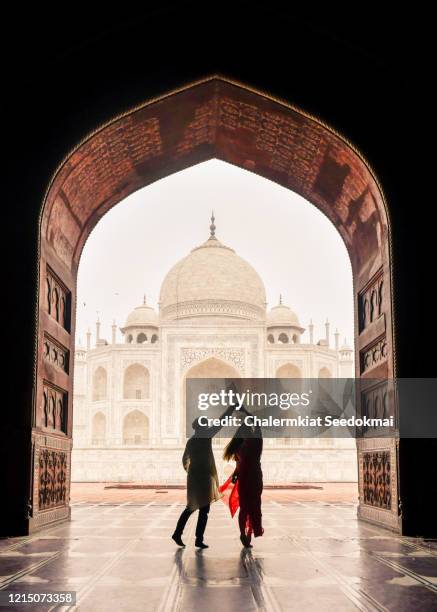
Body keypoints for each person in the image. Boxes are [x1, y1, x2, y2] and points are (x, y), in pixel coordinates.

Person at [172, 391, 236, 549]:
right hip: (203, 477)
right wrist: (232, 408)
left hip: (195, 476)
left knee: (193, 507)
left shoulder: (192, 440)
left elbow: (184, 460)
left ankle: (182, 534)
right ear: (202, 426)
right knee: (201, 509)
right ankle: (195, 538)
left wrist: (191, 471)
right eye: (206, 424)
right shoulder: (205, 436)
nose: (208, 426)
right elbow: (221, 422)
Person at [220, 407, 264, 548]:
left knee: (244, 508)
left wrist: (234, 480)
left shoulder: (239, 448)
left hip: (244, 479)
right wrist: (245, 411)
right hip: (255, 478)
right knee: (254, 507)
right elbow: (257, 424)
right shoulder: (257, 443)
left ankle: (242, 533)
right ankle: (249, 534)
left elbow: (239, 467)